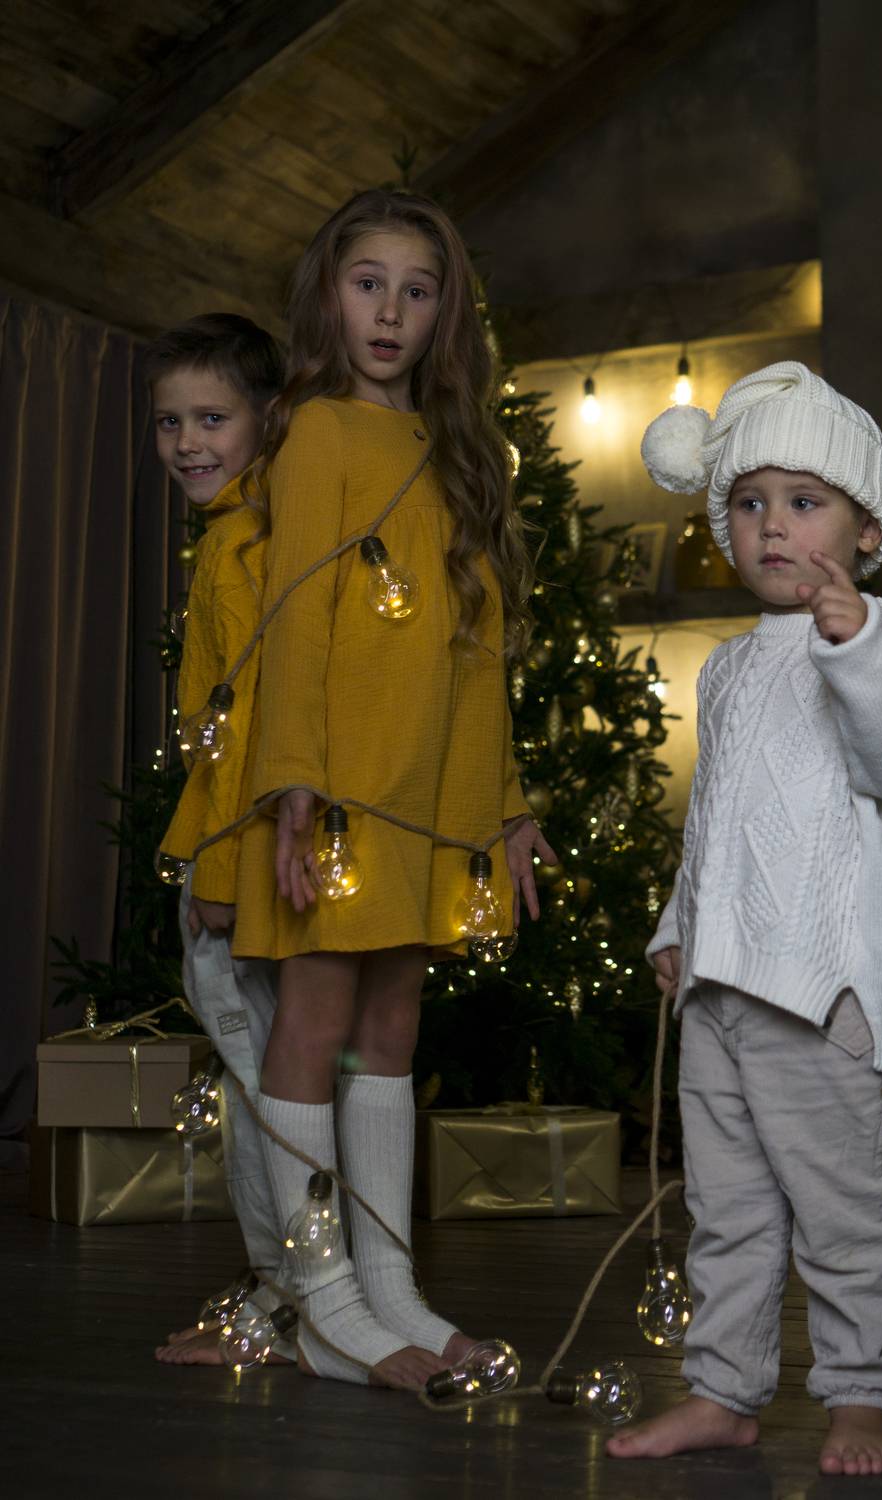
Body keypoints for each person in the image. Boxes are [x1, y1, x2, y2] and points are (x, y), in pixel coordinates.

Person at [227, 188, 554, 1390]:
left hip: (427, 799)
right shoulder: (316, 431)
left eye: (418, 292)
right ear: (330, 292)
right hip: (338, 793)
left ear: (444, 317)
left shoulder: (461, 455)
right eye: (369, 284)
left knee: (392, 1030)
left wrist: (503, 804)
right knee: (314, 1024)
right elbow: (292, 620)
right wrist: (293, 784)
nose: (389, 312)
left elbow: (480, 651)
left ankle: (392, 1289)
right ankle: (324, 1304)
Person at [611, 362, 882, 1476]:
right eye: (749, 503)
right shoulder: (725, 669)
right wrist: (677, 925)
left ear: (866, 531)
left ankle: (861, 1392)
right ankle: (723, 1388)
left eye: (804, 502)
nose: (771, 526)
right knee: (728, 1209)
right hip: (719, 989)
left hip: (822, 995)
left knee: (841, 1208)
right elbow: (715, 821)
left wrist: (854, 648)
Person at [146, 314, 292, 1366]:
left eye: (212, 418)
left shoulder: (246, 548)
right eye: (170, 423)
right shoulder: (235, 533)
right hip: (237, 841)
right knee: (267, 1087)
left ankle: (283, 1304)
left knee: (263, 1093)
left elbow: (254, 727)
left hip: (242, 854)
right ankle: (283, 1292)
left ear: (268, 419)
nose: (189, 442)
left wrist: (224, 869)